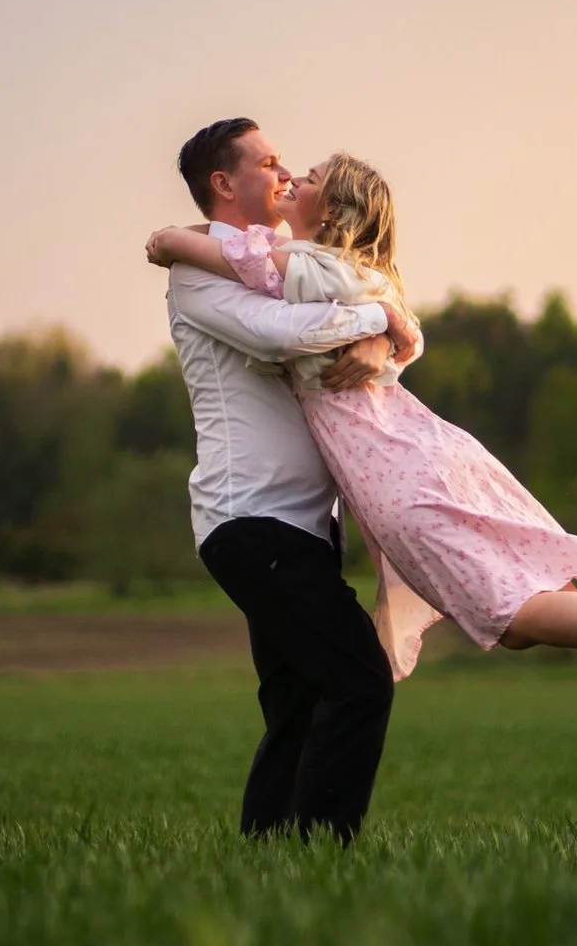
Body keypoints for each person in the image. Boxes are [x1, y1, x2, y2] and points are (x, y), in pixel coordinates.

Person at [148, 149, 577, 772]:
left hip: (397, 472)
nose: (293, 177)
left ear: (332, 213)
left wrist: (174, 239)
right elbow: (378, 314)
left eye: (309, 179)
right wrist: (390, 321)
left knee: (510, 611)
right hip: (423, 452)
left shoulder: (314, 266)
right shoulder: (354, 275)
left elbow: (250, 269)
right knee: (532, 585)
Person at [162, 118, 420, 843]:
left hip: (303, 526)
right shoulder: (197, 271)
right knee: (359, 679)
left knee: (300, 701)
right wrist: (378, 316)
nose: (284, 174)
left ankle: (271, 856)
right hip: (250, 521)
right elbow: (284, 333)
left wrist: (391, 329)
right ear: (224, 183)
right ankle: (321, 854)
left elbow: (383, 327)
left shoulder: (283, 258)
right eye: (268, 162)